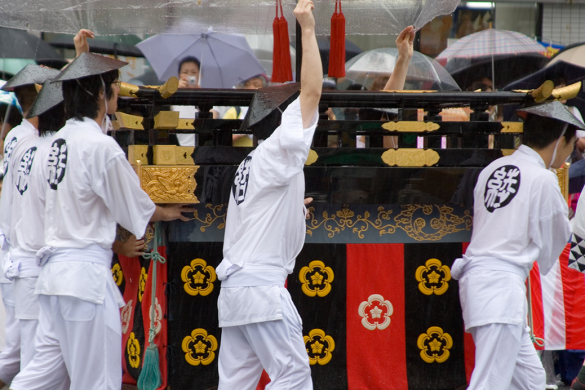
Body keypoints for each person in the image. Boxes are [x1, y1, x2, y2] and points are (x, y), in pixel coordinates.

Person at [8, 52, 194, 390]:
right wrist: (164, 211)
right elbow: (132, 206)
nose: (118, 93)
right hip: (84, 282)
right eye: (114, 87)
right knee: (97, 382)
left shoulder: (55, 142)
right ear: (99, 94)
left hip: (52, 280)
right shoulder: (100, 147)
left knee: (39, 378)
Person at [215, 0, 321, 388]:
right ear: (280, 123)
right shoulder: (278, 149)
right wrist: (307, 29)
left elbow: (262, 215)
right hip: (260, 289)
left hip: (237, 291)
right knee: (293, 376)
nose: (301, 114)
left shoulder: (253, 163)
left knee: (236, 385)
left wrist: (294, 209)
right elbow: (311, 92)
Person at [450, 101, 583, 390]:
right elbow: (556, 236)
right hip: (500, 288)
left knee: (531, 380)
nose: (570, 154)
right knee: (490, 384)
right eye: (571, 146)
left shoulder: (493, 168)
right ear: (561, 141)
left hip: (483, 283)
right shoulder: (542, 178)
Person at [0, 65, 58, 388]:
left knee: (25, 351)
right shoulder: (32, 142)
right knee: (28, 354)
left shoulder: (18, 136)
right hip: (24, 253)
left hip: (15, 248)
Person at [223, 74, 269, 147]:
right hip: (238, 155)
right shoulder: (235, 112)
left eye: (256, 85)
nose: (251, 88)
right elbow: (222, 141)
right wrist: (241, 132)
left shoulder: (270, 112)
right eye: (247, 84)